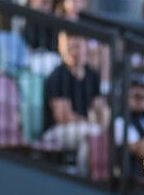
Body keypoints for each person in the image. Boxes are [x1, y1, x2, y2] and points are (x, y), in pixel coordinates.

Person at [42, 31, 110, 176]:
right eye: (69, 47)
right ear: (61, 48)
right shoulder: (57, 76)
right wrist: (92, 124)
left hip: (86, 129)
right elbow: (63, 117)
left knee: (97, 137)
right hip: (56, 132)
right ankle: (84, 178)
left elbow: (101, 108)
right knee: (92, 135)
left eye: (77, 46)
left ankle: (93, 178)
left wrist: (102, 121)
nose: (74, 51)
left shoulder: (92, 75)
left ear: (85, 47)